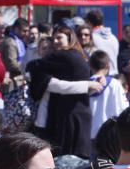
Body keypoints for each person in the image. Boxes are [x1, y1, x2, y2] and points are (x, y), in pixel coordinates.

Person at [27, 27, 94, 159]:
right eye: (44, 48)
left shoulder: (61, 57)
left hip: (68, 114)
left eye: (59, 38)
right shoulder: (77, 55)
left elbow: (55, 85)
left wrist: (87, 85)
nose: (55, 43)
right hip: (74, 112)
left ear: (69, 39)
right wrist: (87, 85)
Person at [87, 50, 128, 137]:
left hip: (88, 134)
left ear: (90, 66)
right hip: (109, 135)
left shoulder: (84, 85)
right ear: (108, 65)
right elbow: (122, 109)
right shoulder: (115, 84)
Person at [84, 9, 119, 74]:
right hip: (114, 75)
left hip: (99, 77)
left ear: (88, 22)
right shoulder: (113, 38)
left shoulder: (91, 38)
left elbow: (88, 59)